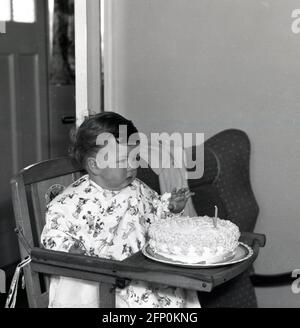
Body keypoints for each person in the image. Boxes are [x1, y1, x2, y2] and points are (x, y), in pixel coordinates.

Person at [41, 112, 200, 308]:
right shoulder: (69, 202)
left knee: (177, 288)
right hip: (100, 283)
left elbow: (154, 211)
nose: (132, 166)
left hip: (141, 271)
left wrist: (170, 207)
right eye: (122, 160)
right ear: (95, 165)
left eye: (135, 158)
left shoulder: (137, 188)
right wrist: (70, 249)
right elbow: (54, 234)